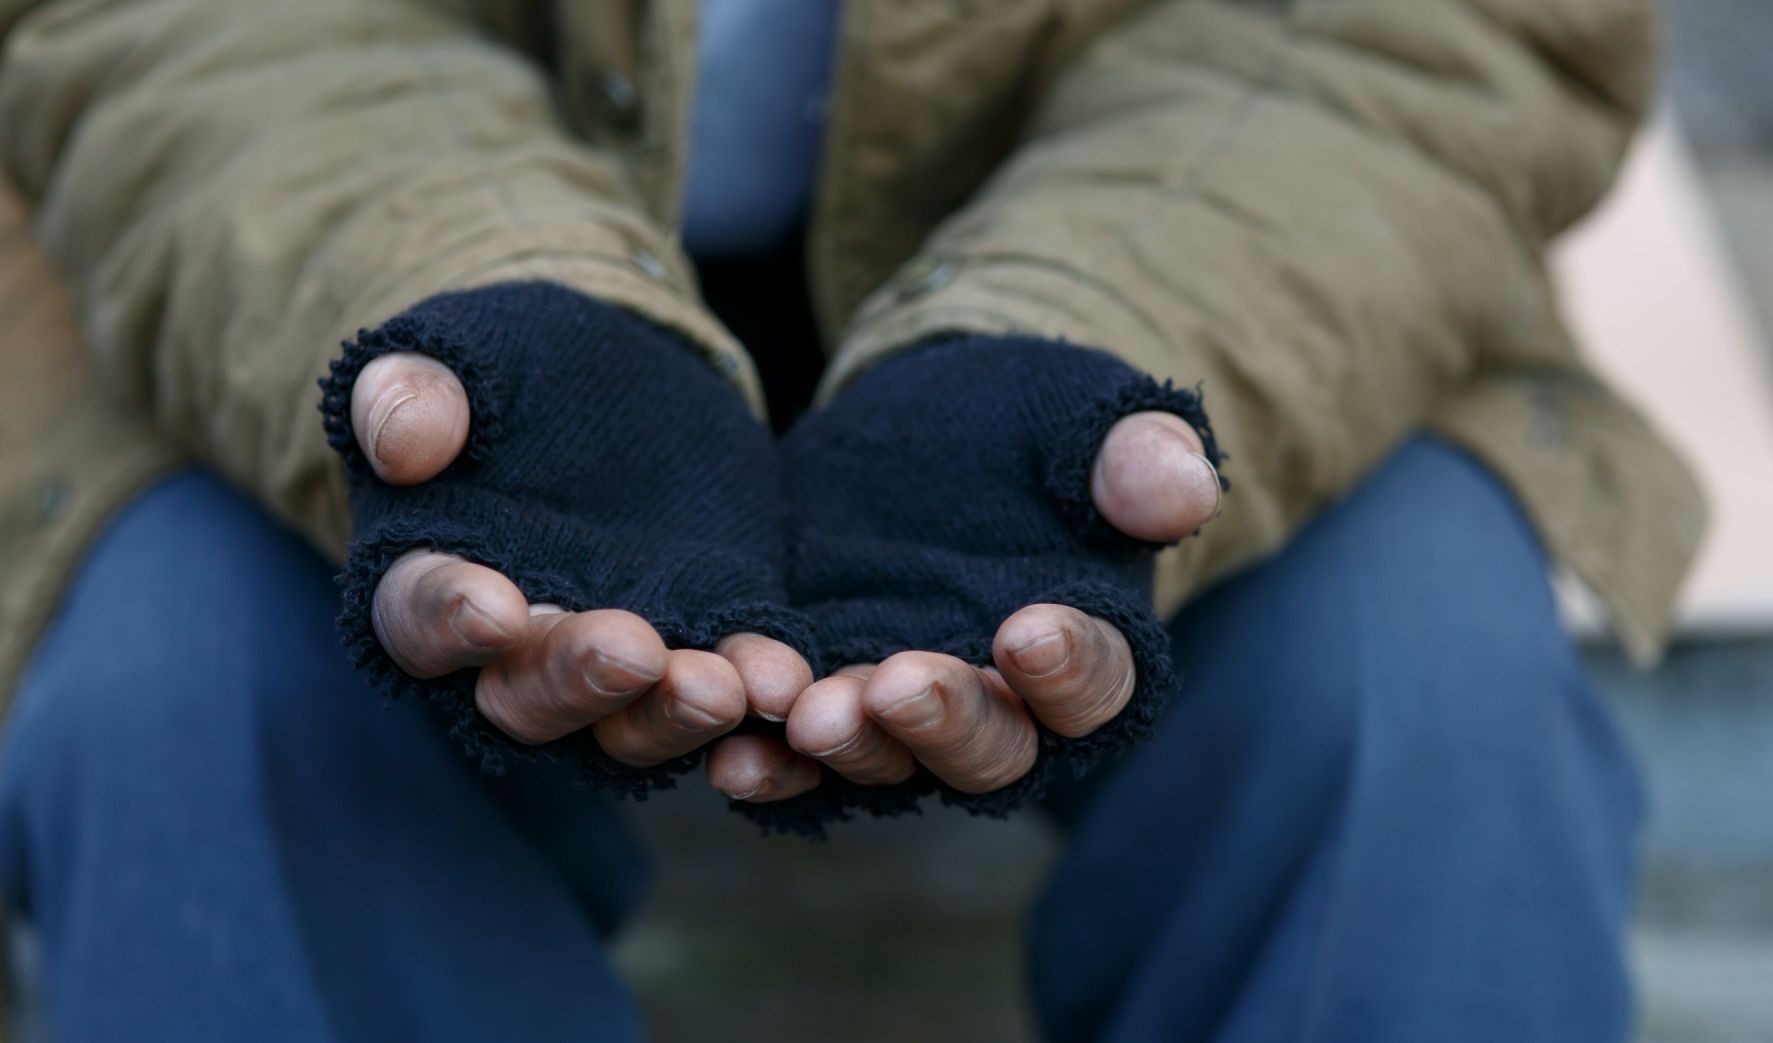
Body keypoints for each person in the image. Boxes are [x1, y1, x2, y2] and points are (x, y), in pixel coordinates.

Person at [0, 1, 1703, 1040]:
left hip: (1241, 258)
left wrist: (1074, 328)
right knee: (188, 688)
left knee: (1412, 679)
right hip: (315, 235)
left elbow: (1415, 26)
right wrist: (477, 300)